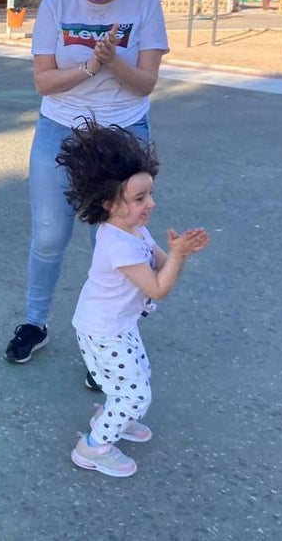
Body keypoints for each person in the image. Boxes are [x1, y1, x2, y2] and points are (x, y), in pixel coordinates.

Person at [4, 0, 170, 375]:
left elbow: (145, 84)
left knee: (116, 241)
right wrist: (91, 68)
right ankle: (35, 323)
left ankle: (113, 342)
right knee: (50, 234)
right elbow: (43, 82)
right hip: (60, 130)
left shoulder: (143, 4)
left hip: (123, 135)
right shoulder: (57, 4)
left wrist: (116, 62)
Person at [55, 120, 209, 477]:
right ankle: (93, 447)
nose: (151, 204)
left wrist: (178, 252)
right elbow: (158, 288)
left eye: (150, 194)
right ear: (109, 202)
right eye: (140, 198)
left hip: (117, 324)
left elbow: (159, 262)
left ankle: (114, 418)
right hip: (103, 330)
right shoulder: (116, 243)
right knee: (136, 395)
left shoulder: (134, 228)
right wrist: (180, 257)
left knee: (136, 378)